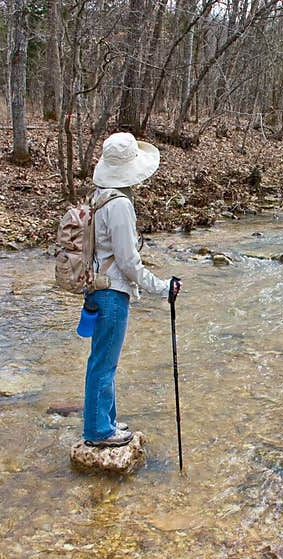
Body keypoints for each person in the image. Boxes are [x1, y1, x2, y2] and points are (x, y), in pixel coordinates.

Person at [83, 132, 181, 448]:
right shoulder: (120, 204)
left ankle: (105, 423)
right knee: (104, 364)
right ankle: (99, 431)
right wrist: (162, 287)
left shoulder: (98, 197)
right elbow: (128, 262)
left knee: (101, 360)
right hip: (113, 294)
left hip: (97, 290)